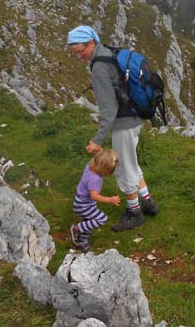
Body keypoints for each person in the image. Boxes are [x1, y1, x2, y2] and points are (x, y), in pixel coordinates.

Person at [67, 25, 159, 231]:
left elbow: (109, 110)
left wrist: (97, 141)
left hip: (123, 123)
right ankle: (148, 203)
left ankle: (135, 213)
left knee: (124, 169)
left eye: (81, 51)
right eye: (75, 53)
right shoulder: (109, 52)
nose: (79, 56)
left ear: (91, 43)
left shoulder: (99, 67)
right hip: (135, 118)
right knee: (132, 163)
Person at [70, 148, 121, 252]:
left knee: (88, 223)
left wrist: (103, 152)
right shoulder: (95, 178)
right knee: (101, 219)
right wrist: (109, 200)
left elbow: (100, 156)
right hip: (84, 205)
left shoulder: (90, 166)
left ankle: (81, 243)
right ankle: (77, 229)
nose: (110, 173)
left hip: (81, 202)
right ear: (103, 169)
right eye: (109, 170)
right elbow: (94, 196)